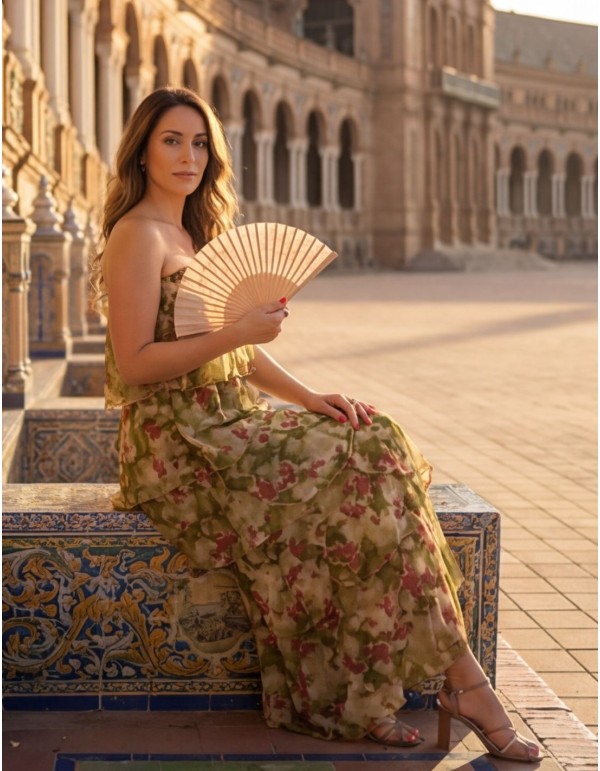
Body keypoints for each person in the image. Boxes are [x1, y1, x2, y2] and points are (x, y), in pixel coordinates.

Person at [92, 85, 541, 762]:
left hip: (227, 423)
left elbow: (239, 352)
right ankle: (455, 686)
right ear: (143, 152)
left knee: (375, 439)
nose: (189, 156)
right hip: (175, 445)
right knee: (358, 479)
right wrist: (235, 332)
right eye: (171, 141)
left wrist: (309, 397)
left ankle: (449, 680)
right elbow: (137, 361)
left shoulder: (191, 232)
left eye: (199, 142)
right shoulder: (136, 235)